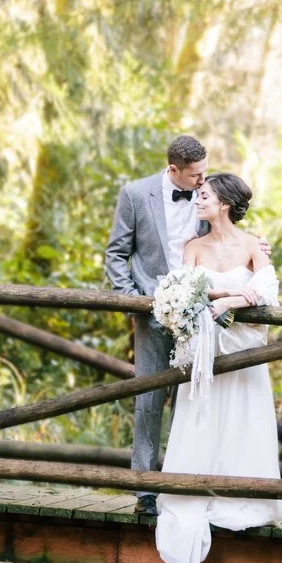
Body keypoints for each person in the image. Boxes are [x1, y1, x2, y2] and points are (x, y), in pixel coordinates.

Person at [155, 173, 282, 563]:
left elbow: (268, 290)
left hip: (242, 348)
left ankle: (241, 498)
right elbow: (182, 290)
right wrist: (224, 295)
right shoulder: (192, 247)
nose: (197, 200)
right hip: (206, 349)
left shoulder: (252, 245)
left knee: (242, 418)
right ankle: (193, 491)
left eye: (204, 195)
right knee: (201, 419)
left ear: (224, 203)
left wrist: (233, 302)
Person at [105, 135, 208, 514]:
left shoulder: (206, 192)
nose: (202, 181)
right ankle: (144, 488)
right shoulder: (135, 194)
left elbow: (226, 234)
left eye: (205, 172)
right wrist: (133, 299)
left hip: (197, 315)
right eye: (195, 175)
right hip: (151, 315)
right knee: (148, 399)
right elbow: (117, 253)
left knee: (192, 398)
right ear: (173, 170)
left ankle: (180, 483)